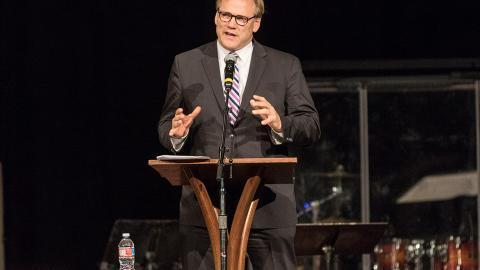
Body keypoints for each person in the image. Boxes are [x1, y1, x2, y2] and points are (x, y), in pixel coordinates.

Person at [158, 0, 320, 268]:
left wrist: (280, 125)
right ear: (215, 17)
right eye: (225, 14)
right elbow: (166, 125)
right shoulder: (186, 63)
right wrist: (177, 134)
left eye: (241, 19)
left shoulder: (284, 65)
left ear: (256, 23)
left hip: (267, 205)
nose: (231, 23)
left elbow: (311, 125)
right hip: (203, 207)